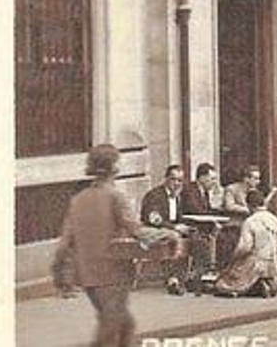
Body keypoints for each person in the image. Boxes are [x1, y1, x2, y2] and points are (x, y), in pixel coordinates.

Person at [53, 145, 143, 346]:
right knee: (110, 332)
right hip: (114, 274)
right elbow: (137, 230)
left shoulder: (78, 200)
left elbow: (64, 243)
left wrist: (61, 277)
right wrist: (169, 235)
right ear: (114, 167)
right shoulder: (115, 197)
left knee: (125, 326)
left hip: (88, 277)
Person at [213, 188, 277, 298]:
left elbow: (245, 247)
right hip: (273, 263)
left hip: (255, 264)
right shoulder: (275, 220)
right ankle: (264, 283)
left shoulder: (250, 221)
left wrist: (233, 260)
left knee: (221, 284)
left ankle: (257, 288)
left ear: (249, 205)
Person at [140, 164, 195, 294]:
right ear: (165, 179)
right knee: (174, 237)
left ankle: (193, 276)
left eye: (180, 180)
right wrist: (175, 227)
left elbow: (178, 217)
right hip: (153, 230)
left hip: (170, 229)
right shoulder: (155, 195)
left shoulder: (177, 197)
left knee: (197, 237)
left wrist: (186, 227)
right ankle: (173, 279)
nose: (176, 183)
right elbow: (153, 219)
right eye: (173, 179)